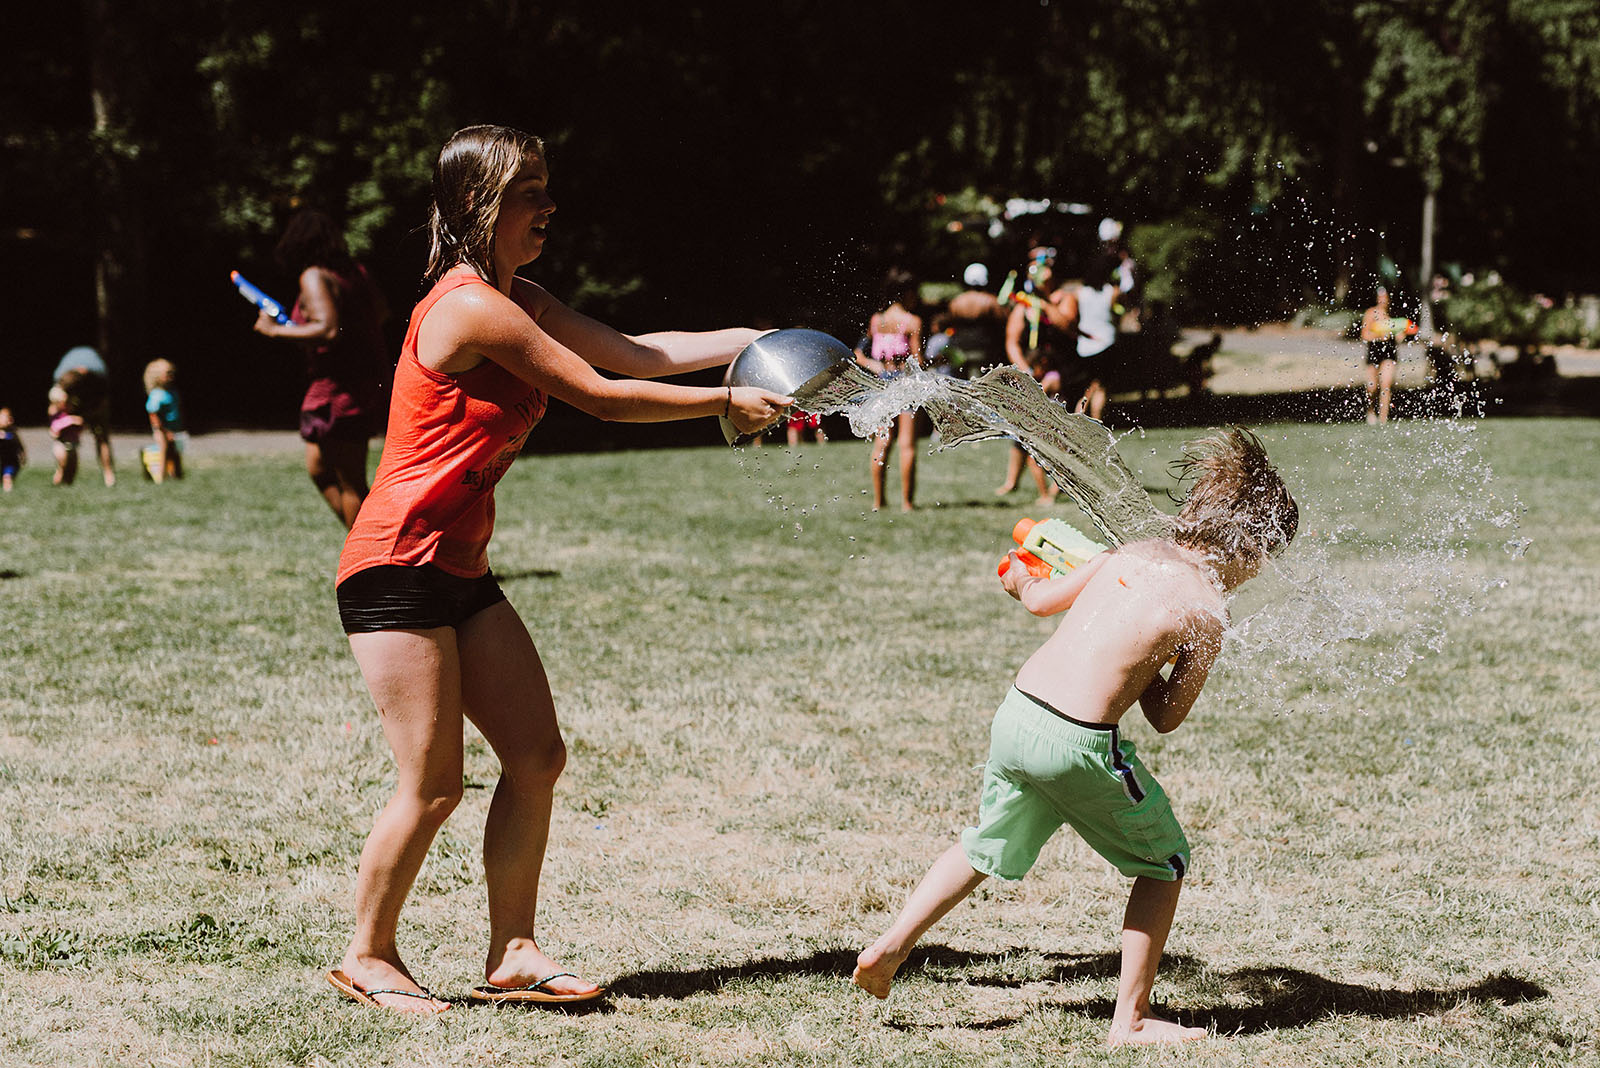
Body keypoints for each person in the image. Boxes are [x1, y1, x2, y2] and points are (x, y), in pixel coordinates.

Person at [324, 125, 790, 1014]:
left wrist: (760, 338)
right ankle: (368, 956)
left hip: (459, 569)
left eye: (545, 187)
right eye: (528, 191)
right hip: (396, 568)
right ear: (478, 206)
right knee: (432, 786)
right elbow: (603, 396)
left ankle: (514, 953)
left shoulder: (520, 296)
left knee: (535, 757)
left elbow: (637, 353)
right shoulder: (468, 306)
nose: (548, 205)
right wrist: (730, 400)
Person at [852, 427, 1298, 1048]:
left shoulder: (1129, 553)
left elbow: (1038, 600)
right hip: (1077, 742)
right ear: (1250, 547)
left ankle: (890, 948)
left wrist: (1018, 580)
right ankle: (1131, 1021)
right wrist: (1152, 669)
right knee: (1165, 864)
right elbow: (1166, 717)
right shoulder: (1206, 612)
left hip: (1018, 715)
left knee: (984, 845)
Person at [254, 209, 391, 529]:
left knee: (351, 482)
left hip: (340, 389)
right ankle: (368, 549)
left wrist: (274, 330)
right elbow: (381, 311)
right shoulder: (355, 272)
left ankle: (373, 563)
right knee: (319, 468)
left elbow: (327, 329)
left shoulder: (314, 276)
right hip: (360, 382)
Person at [995, 257, 1075, 503]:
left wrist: (1045, 304)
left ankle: (1060, 485)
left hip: (1061, 372)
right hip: (1033, 375)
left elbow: (1068, 325)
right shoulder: (1023, 305)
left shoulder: (1066, 298)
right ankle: (1014, 482)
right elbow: (1012, 340)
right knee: (1025, 432)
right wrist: (1025, 370)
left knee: (1062, 435)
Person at [853, 269, 923, 512]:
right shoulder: (912, 321)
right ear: (908, 293)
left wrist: (877, 366)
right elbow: (918, 361)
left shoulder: (877, 321)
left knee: (882, 441)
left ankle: (878, 501)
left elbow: (859, 353)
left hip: (881, 381)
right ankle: (907, 502)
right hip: (904, 382)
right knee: (907, 445)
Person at [51, 346, 116, 486]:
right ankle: (63, 474)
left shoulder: (97, 377)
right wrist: (61, 421)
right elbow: (53, 407)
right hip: (73, 390)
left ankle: (109, 475)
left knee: (101, 436)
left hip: (95, 397)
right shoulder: (61, 377)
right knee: (66, 438)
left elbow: (101, 402)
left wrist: (86, 418)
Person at [1073, 255, 1124, 420]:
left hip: (1085, 346)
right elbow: (1118, 316)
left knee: (1089, 387)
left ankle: (1078, 417)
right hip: (1106, 343)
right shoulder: (1113, 292)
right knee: (1100, 388)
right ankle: (1096, 421)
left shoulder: (1080, 293)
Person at [1359, 287, 1406, 424]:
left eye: (1386, 297)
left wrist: (1398, 335)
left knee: (1386, 384)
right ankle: (1371, 411)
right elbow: (1364, 335)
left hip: (1389, 352)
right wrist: (1379, 336)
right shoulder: (1371, 313)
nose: (1383, 300)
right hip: (1374, 350)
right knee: (1372, 386)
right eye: (1381, 297)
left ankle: (1383, 418)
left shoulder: (1393, 315)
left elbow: (1399, 335)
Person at [142, 359, 185, 482]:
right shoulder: (157, 395)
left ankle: (175, 474)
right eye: (167, 374)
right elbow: (153, 414)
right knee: (163, 452)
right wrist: (164, 430)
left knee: (175, 452)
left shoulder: (172, 392)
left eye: (172, 373)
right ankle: (161, 476)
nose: (171, 376)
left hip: (173, 428)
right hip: (161, 429)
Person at [46, 384, 84, 486]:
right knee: (62, 466)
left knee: (72, 468)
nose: (66, 404)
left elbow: (80, 425)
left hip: (72, 443)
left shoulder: (70, 412)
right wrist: (70, 420)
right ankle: (56, 485)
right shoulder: (55, 413)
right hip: (61, 443)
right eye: (63, 402)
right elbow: (54, 429)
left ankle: (68, 485)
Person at [0, 407, 24, 491]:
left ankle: (8, 492)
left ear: (10, 420)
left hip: (11, 462)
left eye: (4, 418)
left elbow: (19, 445)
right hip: (2, 462)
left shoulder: (12, 432)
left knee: (7, 476)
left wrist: (23, 456)